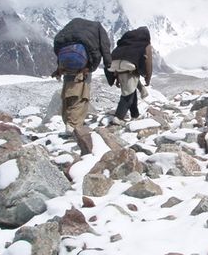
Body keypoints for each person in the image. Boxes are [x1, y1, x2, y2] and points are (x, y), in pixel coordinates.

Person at [52, 18, 112, 155]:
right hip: (82, 63)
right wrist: (107, 66)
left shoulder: (73, 24)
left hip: (65, 60)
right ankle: (73, 126)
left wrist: (59, 66)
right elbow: (105, 47)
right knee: (81, 94)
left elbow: (58, 42)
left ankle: (68, 121)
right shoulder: (97, 27)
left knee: (68, 90)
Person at [108, 26, 153, 125]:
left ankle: (135, 114)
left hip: (115, 65)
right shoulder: (145, 44)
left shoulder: (126, 41)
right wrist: (147, 78)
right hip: (129, 67)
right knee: (128, 95)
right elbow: (148, 63)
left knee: (131, 90)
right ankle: (118, 117)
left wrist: (115, 76)